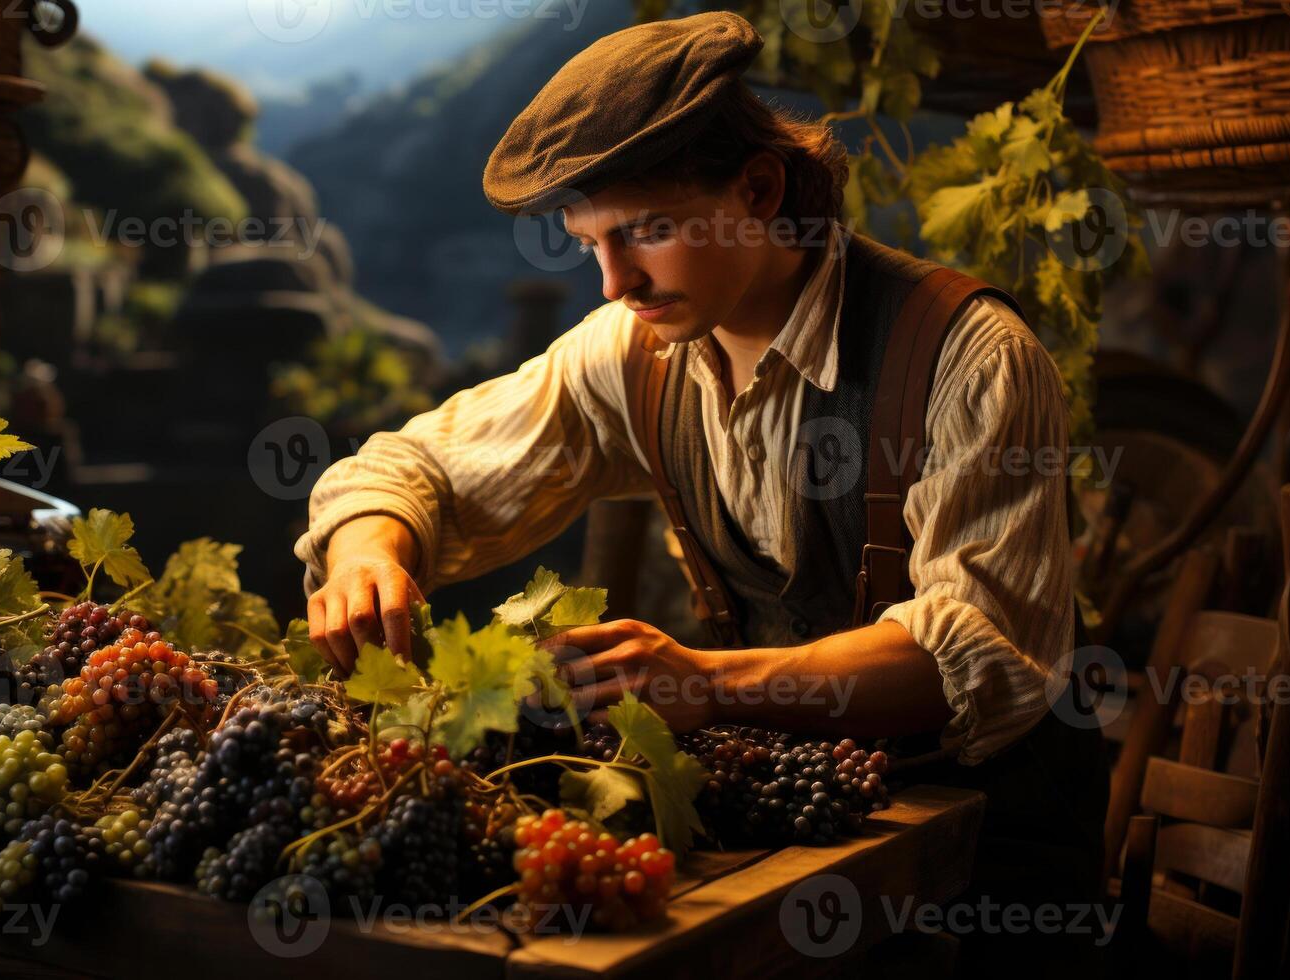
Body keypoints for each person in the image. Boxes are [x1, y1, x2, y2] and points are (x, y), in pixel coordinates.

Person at [294, 11, 1107, 973]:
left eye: (647, 231)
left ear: (758, 190)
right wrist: (366, 548)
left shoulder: (968, 358)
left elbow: (976, 658)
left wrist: (704, 680)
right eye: (590, 242)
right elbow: (416, 465)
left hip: (979, 878)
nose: (613, 282)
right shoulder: (636, 353)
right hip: (789, 848)